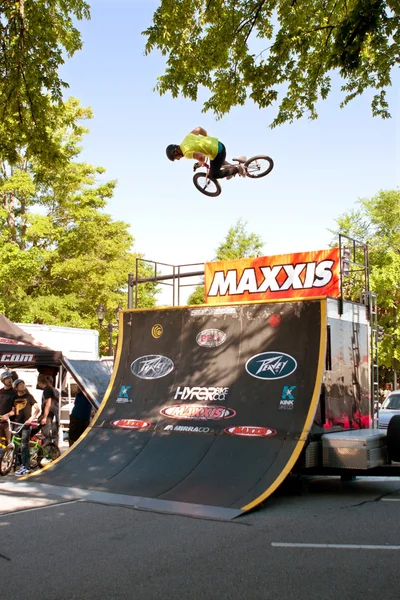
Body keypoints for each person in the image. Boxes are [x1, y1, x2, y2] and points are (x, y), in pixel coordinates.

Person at [166, 126, 246, 180]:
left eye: (176, 158)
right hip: (219, 144)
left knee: (213, 175)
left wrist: (200, 163)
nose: (179, 159)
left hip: (218, 153)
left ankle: (237, 169)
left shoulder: (186, 153)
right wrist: (208, 140)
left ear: (175, 152)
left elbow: (201, 157)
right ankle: (232, 167)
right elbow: (199, 129)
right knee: (214, 162)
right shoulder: (187, 138)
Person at [9, 379, 40, 477]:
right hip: (17, 424)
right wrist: (6, 415)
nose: (22, 386)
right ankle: (15, 465)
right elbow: (13, 411)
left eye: (23, 384)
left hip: (26, 424)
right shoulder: (14, 397)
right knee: (15, 444)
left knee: (24, 445)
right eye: (20, 384)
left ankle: (26, 467)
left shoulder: (29, 397)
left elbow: (37, 409)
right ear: (16, 387)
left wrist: (31, 419)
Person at [37, 374, 59, 445]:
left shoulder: (47, 389)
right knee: (53, 435)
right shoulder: (52, 389)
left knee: (45, 435)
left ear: (40, 382)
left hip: (49, 415)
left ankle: (46, 452)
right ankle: (53, 451)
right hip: (54, 414)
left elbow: (48, 404)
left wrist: (44, 417)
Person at [0, 371, 16, 448]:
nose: (10, 380)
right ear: (3, 380)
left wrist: (7, 415)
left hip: (10, 422)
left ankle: (11, 458)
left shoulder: (15, 392)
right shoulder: (0, 391)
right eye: (7, 378)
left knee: (10, 444)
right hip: (0, 421)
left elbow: (15, 410)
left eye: (10, 377)